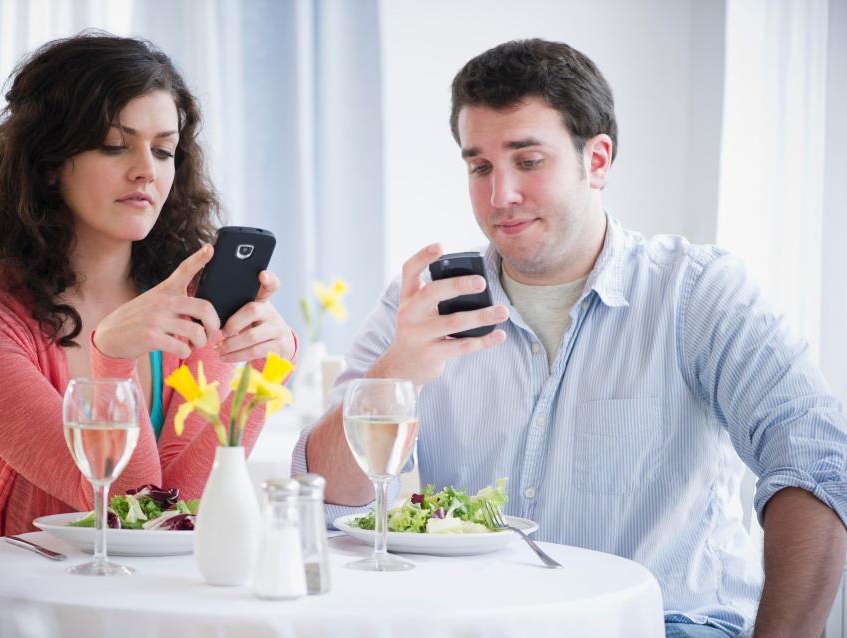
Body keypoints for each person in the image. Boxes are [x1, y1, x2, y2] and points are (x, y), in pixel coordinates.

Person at [293, 39, 847, 637]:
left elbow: (813, 463)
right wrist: (395, 372)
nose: (499, 195)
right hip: (478, 625)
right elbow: (324, 499)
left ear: (598, 160)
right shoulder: (422, 304)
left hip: (664, 624)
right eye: (479, 166)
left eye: (528, 161)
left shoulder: (700, 293)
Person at [0, 33, 296, 550]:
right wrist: (112, 359)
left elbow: (179, 508)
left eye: (164, 149)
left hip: (131, 592)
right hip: (1, 599)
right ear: (49, 162)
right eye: (114, 145)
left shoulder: (186, 304)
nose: (148, 168)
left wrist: (265, 372)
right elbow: (119, 508)